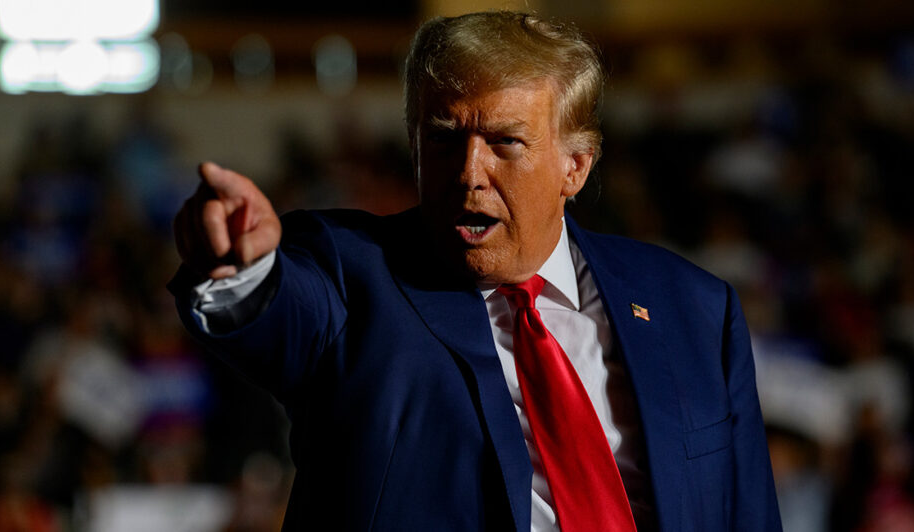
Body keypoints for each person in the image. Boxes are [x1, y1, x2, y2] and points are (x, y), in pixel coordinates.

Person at [169, 11, 781, 532]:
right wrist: (240, 270)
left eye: (504, 143)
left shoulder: (693, 307)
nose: (468, 172)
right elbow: (281, 311)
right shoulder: (349, 271)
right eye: (443, 139)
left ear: (576, 166)